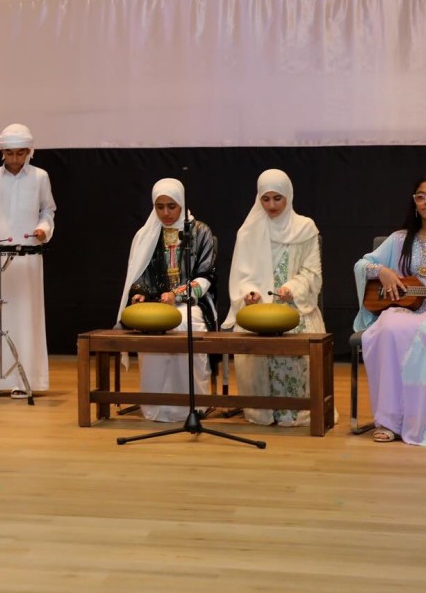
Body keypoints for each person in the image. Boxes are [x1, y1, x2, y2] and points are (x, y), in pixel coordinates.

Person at [223, 169, 324, 426]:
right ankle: (263, 411)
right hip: (259, 309)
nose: (271, 205)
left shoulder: (305, 228)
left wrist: (292, 288)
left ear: (288, 195)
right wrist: (249, 294)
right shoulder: (248, 231)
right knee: (250, 333)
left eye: (277, 198)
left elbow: (311, 273)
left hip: (295, 306)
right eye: (265, 199)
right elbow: (241, 274)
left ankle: (298, 411)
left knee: (300, 334)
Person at [116, 178, 217, 422]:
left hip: (193, 303)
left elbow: (206, 277)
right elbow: (139, 275)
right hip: (156, 304)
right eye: (159, 207)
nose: (166, 213)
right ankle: (156, 405)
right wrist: (139, 293)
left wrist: (178, 294)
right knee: (153, 326)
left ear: (181, 203)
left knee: (184, 323)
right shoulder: (147, 235)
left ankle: (193, 405)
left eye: (172, 206)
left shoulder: (200, 231)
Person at [0, 123, 56, 398]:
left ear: (29, 152)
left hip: (28, 257)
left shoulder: (40, 177)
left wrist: (43, 230)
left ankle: (25, 380)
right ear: (2, 152)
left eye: (21, 153)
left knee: (26, 316)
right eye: (10, 153)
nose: (15, 159)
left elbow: (48, 211)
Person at [354, 174, 426, 445]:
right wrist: (383, 271)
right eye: (421, 196)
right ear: (414, 202)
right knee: (388, 327)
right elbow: (361, 265)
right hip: (407, 308)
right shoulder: (399, 239)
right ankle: (390, 420)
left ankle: (425, 421)